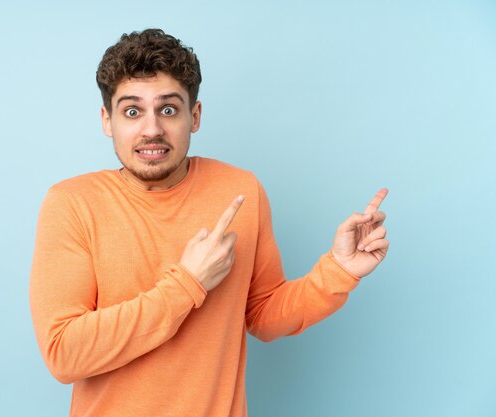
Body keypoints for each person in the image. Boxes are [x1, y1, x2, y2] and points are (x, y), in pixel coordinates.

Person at [29, 28, 389, 417]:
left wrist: (338, 272)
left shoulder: (239, 190)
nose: (152, 129)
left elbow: (264, 315)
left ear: (194, 116)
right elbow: (64, 353)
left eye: (168, 109)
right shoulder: (72, 204)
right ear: (107, 120)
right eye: (132, 111)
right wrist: (188, 283)